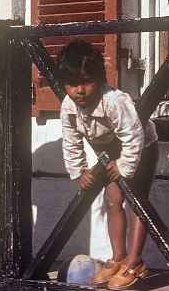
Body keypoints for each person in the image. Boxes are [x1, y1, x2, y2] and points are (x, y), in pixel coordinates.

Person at [58, 40, 159, 290]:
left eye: (86, 82)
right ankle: (118, 257)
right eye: (72, 84)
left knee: (137, 202)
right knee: (112, 199)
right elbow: (71, 141)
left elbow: (134, 135)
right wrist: (78, 170)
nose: (79, 90)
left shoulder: (114, 100)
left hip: (141, 148)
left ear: (100, 79)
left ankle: (135, 262)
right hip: (110, 152)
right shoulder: (69, 107)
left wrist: (124, 165)